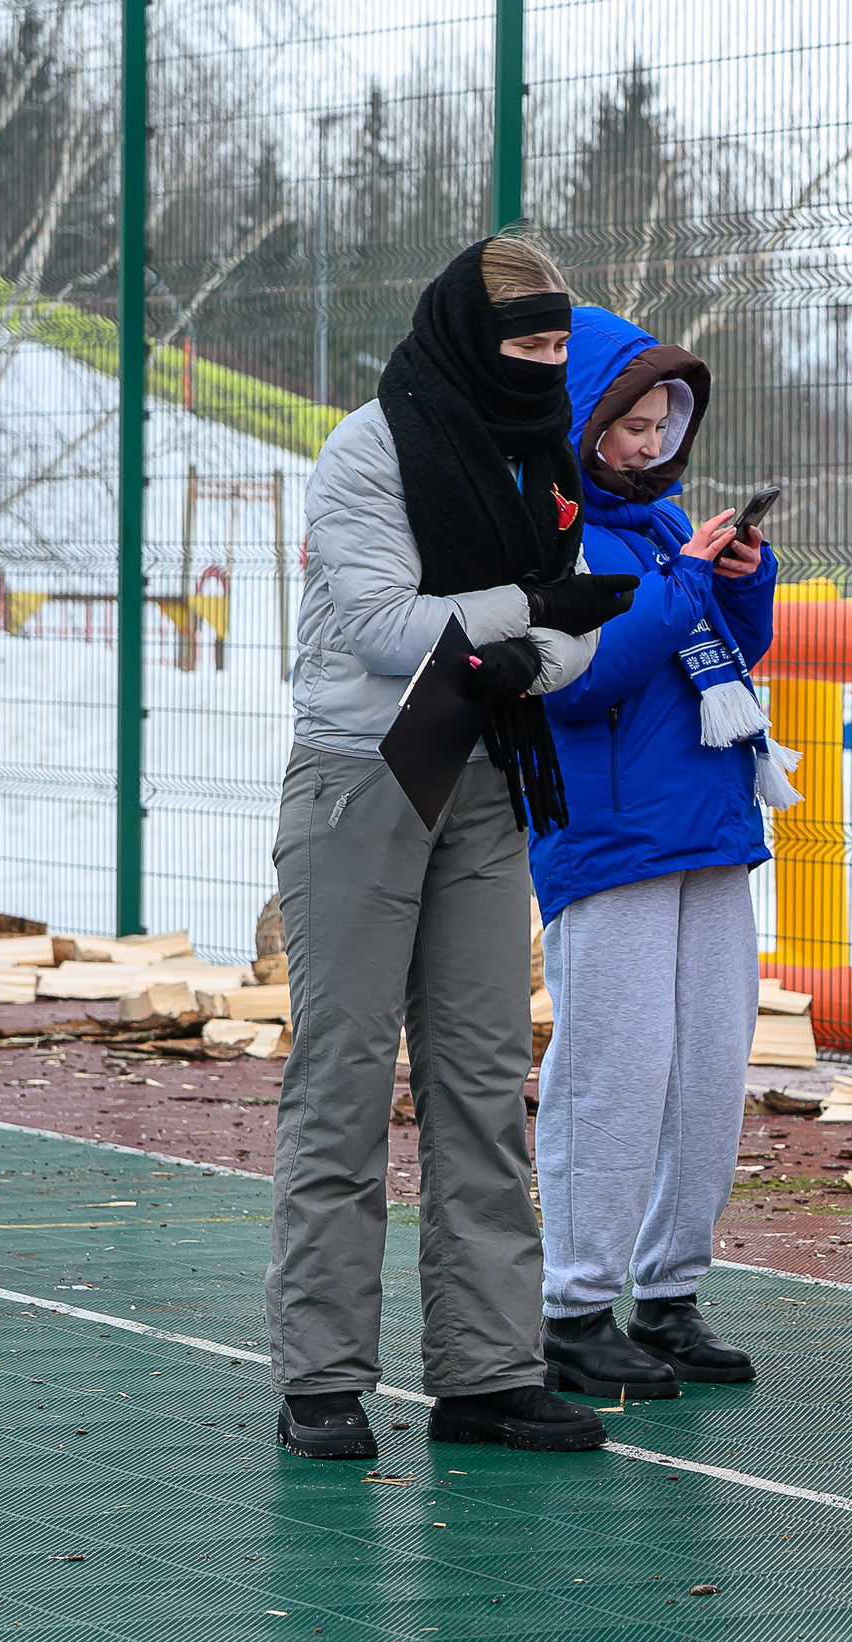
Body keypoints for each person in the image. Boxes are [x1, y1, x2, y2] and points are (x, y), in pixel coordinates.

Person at [269, 234, 642, 1461]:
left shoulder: (545, 454)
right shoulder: (370, 445)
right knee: (342, 1083)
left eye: (555, 347)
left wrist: (533, 642)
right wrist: (530, 616)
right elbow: (383, 628)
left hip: (485, 774)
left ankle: (485, 1375)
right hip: (363, 780)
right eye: (522, 347)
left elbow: (582, 622)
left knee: (482, 1084)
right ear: (467, 341)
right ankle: (321, 1380)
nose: (542, 368)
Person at [526, 305, 783, 1399]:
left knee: (707, 1073)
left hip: (709, 829)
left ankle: (669, 1294)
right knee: (612, 1072)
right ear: (582, 420)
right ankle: (574, 1308)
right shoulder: (550, 531)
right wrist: (684, 585)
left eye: (661, 422)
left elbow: (721, 652)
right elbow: (576, 681)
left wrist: (738, 583)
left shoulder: (659, 525)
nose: (647, 442)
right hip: (613, 837)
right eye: (626, 422)